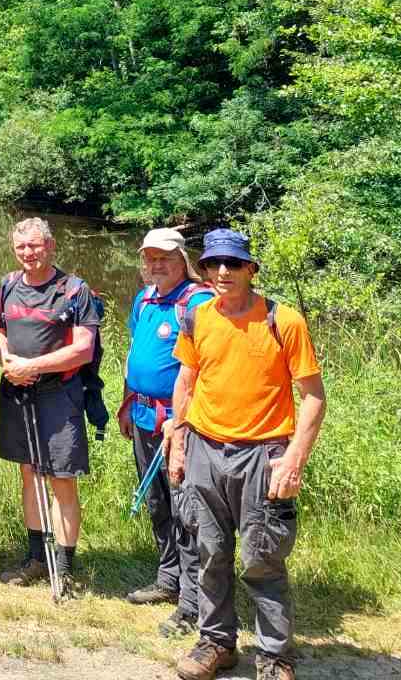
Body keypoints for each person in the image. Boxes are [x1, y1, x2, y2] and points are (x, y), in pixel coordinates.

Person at [169, 230, 325, 680]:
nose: (223, 272)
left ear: (251, 269)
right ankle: (216, 643)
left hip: (263, 454)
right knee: (209, 551)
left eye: (233, 263)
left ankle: (274, 656)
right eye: (213, 263)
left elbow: (314, 397)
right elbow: (186, 381)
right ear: (204, 270)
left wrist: (294, 459)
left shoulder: (283, 320)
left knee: (263, 558)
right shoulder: (198, 317)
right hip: (205, 449)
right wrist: (178, 441)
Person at [0, 216, 100, 591]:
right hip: (18, 392)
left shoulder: (74, 290)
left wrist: (32, 366)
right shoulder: (8, 285)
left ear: (50, 246)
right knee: (29, 474)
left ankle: (64, 568)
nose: (28, 253)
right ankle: (36, 558)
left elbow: (83, 349)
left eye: (35, 245)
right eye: (21, 246)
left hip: (58, 395)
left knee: (61, 479)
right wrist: (7, 360)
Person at [121, 228, 212, 632]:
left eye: (165, 258)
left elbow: (206, 369)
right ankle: (168, 578)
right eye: (150, 258)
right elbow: (134, 355)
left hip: (180, 423)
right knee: (158, 504)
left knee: (186, 510)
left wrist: (184, 420)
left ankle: (194, 601)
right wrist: (126, 401)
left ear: (182, 260)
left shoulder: (197, 302)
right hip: (143, 416)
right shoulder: (145, 299)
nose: (156, 265)